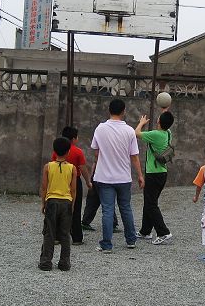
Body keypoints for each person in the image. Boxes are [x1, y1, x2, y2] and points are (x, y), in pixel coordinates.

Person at [91, 98, 144, 253]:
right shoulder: (129, 131)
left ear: (109, 110)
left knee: (107, 210)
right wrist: (140, 175)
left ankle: (107, 244)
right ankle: (131, 240)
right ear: (123, 111)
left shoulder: (100, 129)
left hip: (104, 177)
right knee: (126, 208)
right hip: (123, 177)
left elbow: (96, 152)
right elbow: (134, 156)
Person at [134, 110, 174, 244]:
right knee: (150, 202)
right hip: (162, 172)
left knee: (151, 204)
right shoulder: (168, 133)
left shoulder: (156, 134)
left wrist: (141, 123)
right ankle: (145, 231)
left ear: (159, 121)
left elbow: (136, 133)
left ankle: (163, 232)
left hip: (153, 174)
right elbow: (166, 120)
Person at [38, 137, 77, 271]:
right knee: (65, 233)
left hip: (52, 201)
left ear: (54, 151)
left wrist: (43, 203)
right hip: (66, 202)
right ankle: (64, 263)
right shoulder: (72, 168)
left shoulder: (48, 167)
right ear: (68, 152)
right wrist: (72, 204)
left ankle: (46, 262)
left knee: (49, 232)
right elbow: (73, 189)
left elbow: (44, 187)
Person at [52, 126, 92, 245]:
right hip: (75, 181)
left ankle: (57, 236)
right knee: (76, 209)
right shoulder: (78, 151)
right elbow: (83, 168)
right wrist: (88, 181)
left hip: (60, 181)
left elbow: (54, 165)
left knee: (59, 208)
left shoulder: (56, 151)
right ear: (74, 139)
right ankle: (77, 237)